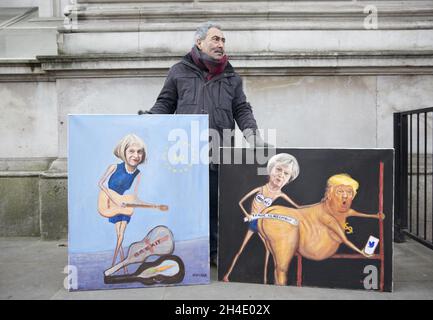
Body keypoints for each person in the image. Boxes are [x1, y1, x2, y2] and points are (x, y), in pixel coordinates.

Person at [138, 21, 267, 266]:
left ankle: (214, 252)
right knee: (185, 203)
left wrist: (253, 135)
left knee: (215, 205)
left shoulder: (231, 77)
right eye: (215, 39)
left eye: (223, 40)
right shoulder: (179, 71)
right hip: (184, 152)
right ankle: (186, 250)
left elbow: (241, 108)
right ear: (200, 42)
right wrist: (150, 120)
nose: (220, 44)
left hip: (218, 150)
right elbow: (165, 103)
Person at [258, 173, 385, 286]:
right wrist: (361, 252)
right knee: (282, 267)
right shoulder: (326, 217)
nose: (345, 196)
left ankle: (278, 288)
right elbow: (345, 240)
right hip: (285, 223)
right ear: (330, 194)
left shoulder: (344, 212)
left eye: (349, 192)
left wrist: (375, 216)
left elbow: (356, 213)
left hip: (285, 221)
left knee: (280, 265)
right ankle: (280, 291)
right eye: (340, 192)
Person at [222, 153, 300, 283]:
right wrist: (247, 214)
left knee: (268, 251)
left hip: (264, 225)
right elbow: (241, 202)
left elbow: (297, 206)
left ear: (289, 179)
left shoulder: (280, 195)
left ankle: (265, 280)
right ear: (270, 170)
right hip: (253, 222)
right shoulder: (261, 189)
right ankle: (227, 275)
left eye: (286, 173)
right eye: (278, 169)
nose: (281, 175)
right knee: (240, 249)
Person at [98, 134, 146, 272]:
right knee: (118, 235)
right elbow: (100, 184)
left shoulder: (138, 173)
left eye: (139, 151)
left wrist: (133, 202)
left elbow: (134, 195)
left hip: (123, 205)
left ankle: (118, 267)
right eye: (131, 151)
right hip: (111, 203)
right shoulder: (114, 167)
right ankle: (117, 266)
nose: (136, 155)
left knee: (121, 235)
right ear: (123, 152)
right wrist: (113, 199)